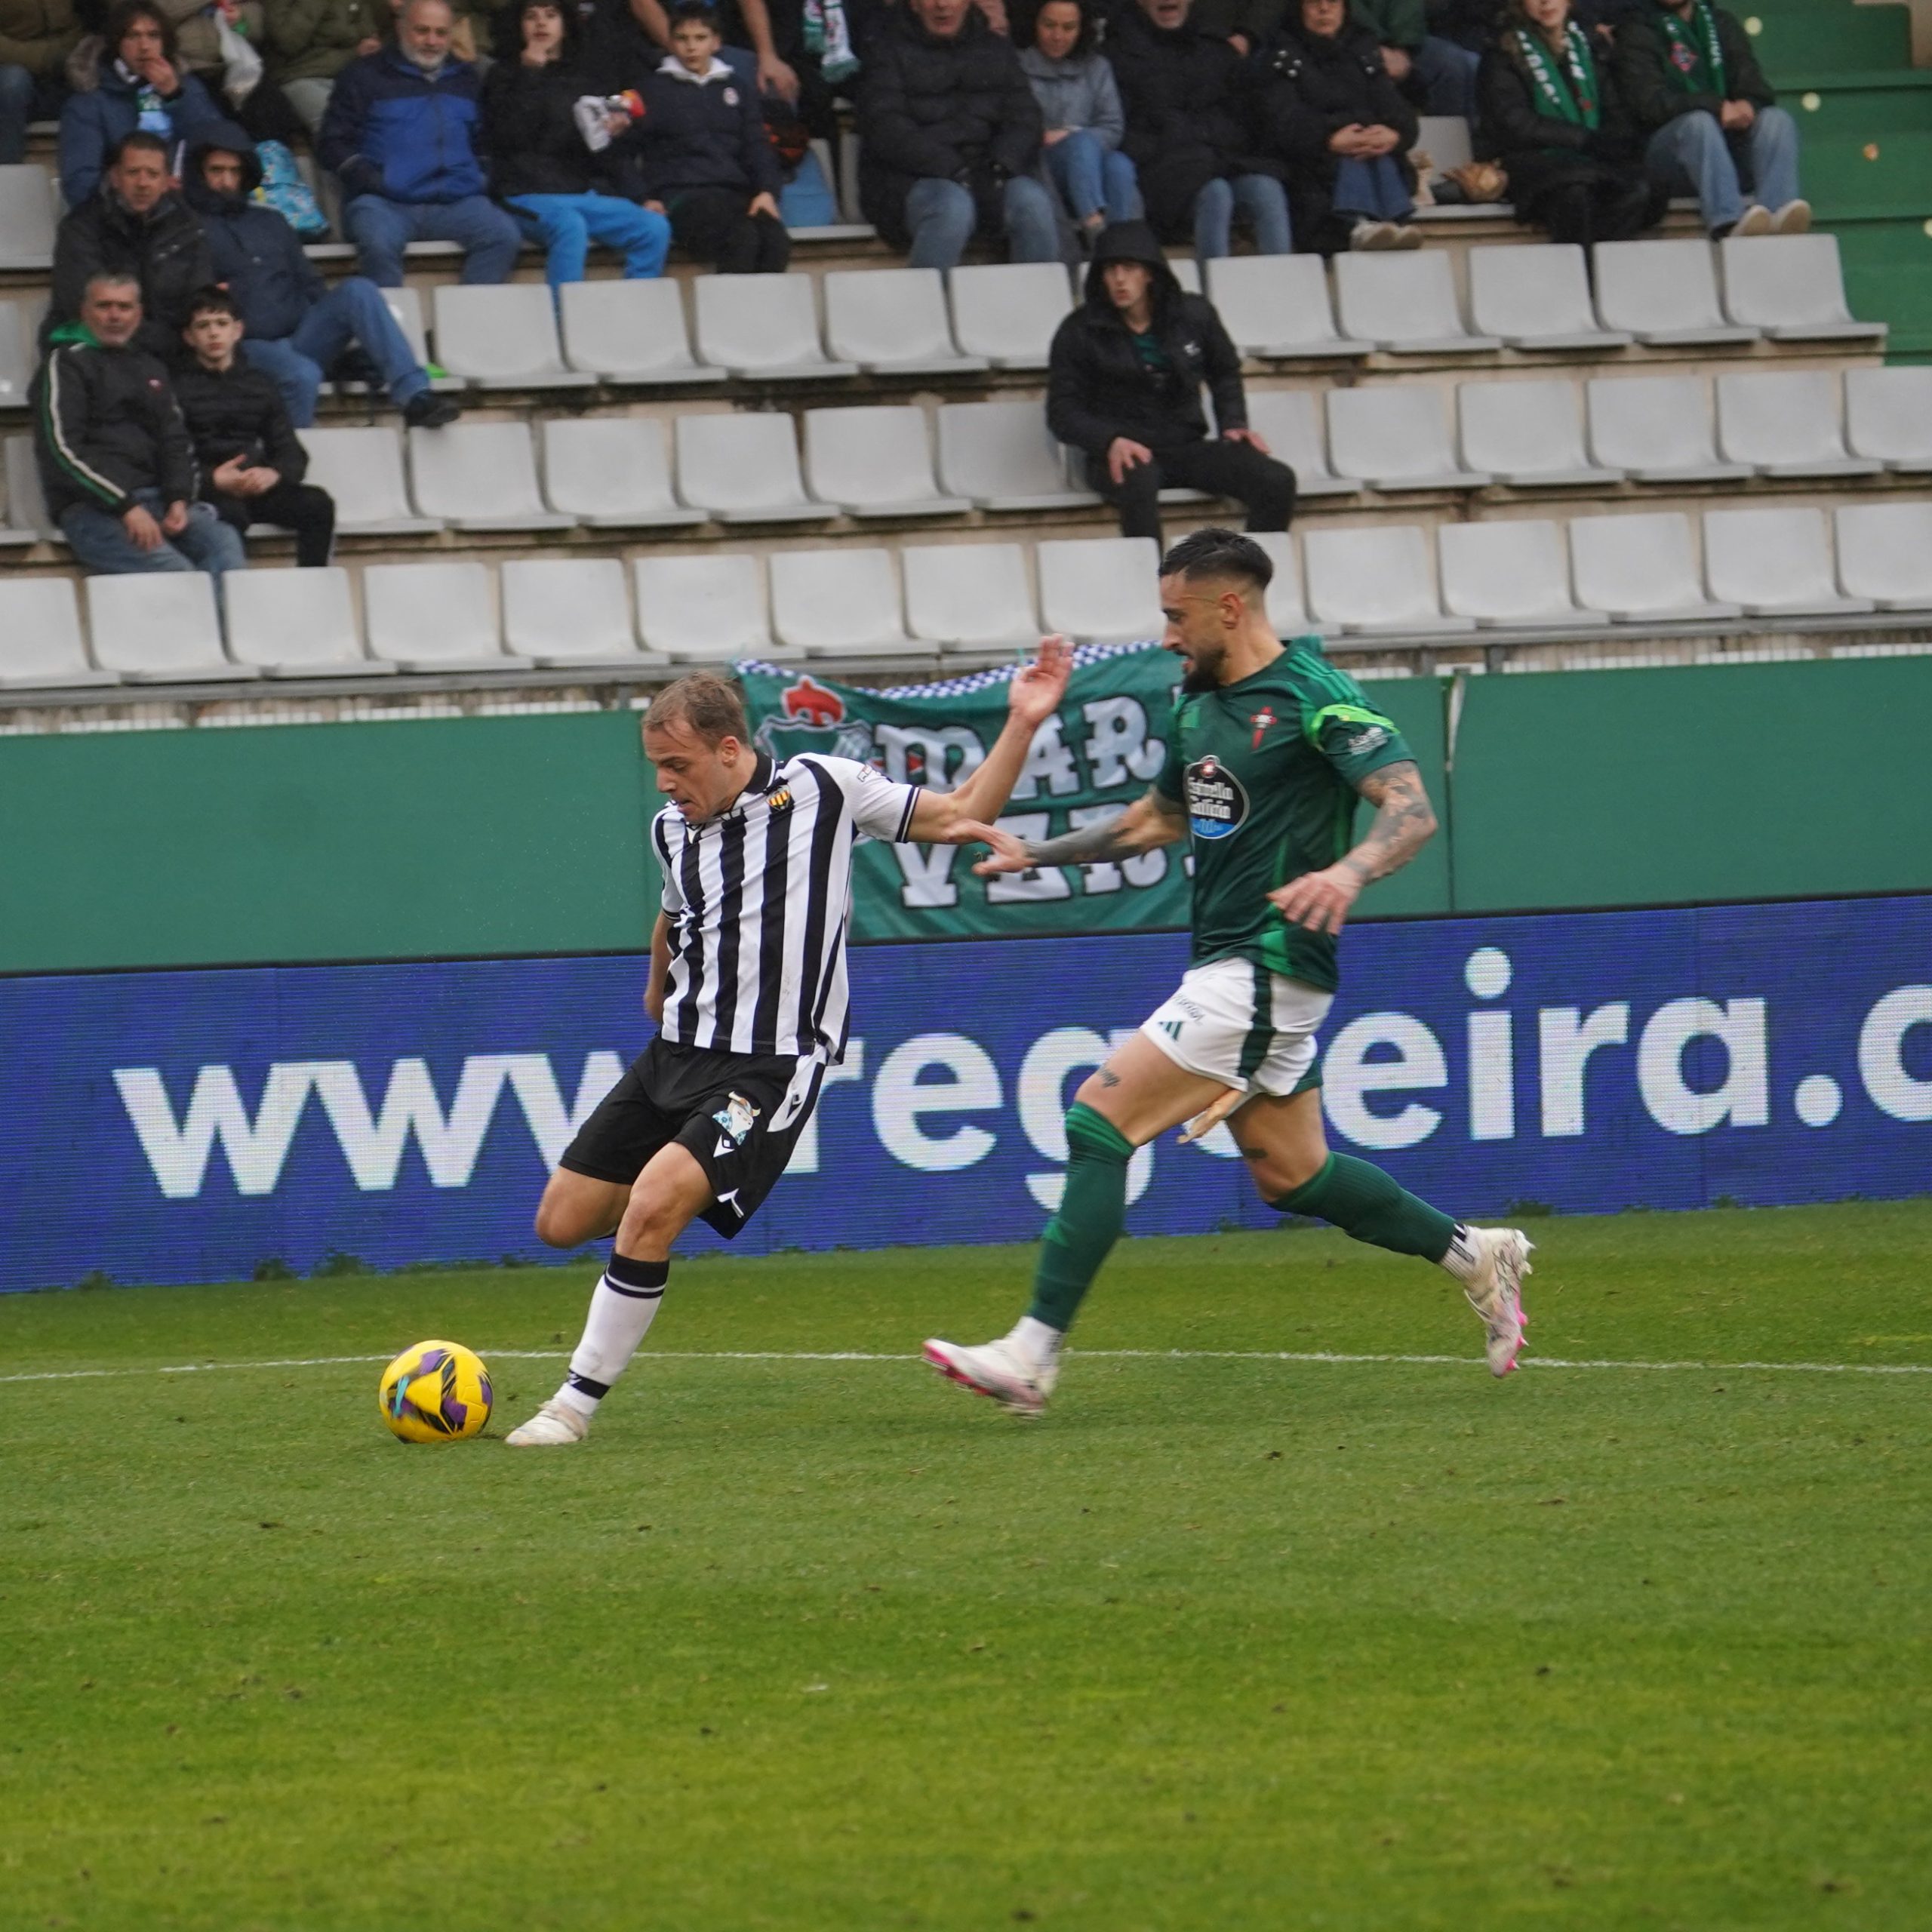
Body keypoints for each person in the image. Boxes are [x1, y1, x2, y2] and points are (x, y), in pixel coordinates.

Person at [926, 528, 1533, 1417]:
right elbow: (1153, 821)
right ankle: (1474, 1254)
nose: (1166, 635)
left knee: (1098, 1121)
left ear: (1230, 607)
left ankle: (1031, 1353)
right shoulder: (1197, 704)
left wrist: (1347, 871)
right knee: (1294, 1175)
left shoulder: (1315, 698)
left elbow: (1409, 810)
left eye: (1176, 617)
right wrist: (1037, 854)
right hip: (1232, 965)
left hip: (1269, 963)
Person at [503, 642, 1075, 1446]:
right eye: (655, 766)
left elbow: (960, 809)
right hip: (675, 1053)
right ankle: (651, 1227)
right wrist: (656, 978)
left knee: (652, 1206)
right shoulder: (674, 829)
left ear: (729, 749)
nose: (664, 782)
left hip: (769, 1065)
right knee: (561, 1222)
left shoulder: (822, 788)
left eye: (676, 763)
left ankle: (571, 1406)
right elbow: (676, 912)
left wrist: (1021, 721)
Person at [185, 128, 458, 427]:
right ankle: (289, 469)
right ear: (199, 173)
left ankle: (415, 396)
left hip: (302, 337)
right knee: (302, 373)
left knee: (359, 290)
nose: (226, 180)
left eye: (234, 171)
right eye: (216, 170)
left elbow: (310, 283)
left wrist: (341, 347)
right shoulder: (187, 228)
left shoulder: (272, 221)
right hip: (243, 347)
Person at [1048, 221, 1294, 545]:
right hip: (1120, 453)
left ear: (1149, 273)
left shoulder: (1193, 314)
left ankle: (1244, 576)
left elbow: (1224, 371)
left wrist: (1234, 423)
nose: (1119, 279)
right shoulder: (1079, 330)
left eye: (1130, 268)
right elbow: (1062, 411)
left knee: (1276, 480)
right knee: (1138, 478)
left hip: (1185, 444)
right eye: (1110, 270)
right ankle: (1155, 585)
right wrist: (1110, 440)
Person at [33, 269, 246, 578]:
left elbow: (175, 439)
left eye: (124, 307)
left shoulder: (150, 366)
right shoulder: (65, 364)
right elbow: (62, 449)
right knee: (180, 577)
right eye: (104, 306)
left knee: (223, 543)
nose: (115, 316)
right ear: (84, 311)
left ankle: (233, 629)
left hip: (158, 499)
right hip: (95, 510)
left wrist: (178, 498)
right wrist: (125, 507)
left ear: (139, 313)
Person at [317, 0, 525, 285]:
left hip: (456, 201)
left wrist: (480, 177)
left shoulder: (467, 79)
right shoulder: (363, 75)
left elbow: (485, 141)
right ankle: (393, 326)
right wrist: (375, 180)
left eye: (441, 33)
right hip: (385, 204)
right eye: (422, 31)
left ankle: (464, 321)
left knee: (504, 236)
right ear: (401, 27)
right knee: (377, 242)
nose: (432, 41)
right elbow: (332, 143)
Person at [481, 0, 672, 286]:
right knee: (570, 226)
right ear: (519, 25)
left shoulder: (584, 78)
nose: (541, 23)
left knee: (653, 227)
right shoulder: (503, 75)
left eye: (551, 15)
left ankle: (635, 321)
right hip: (522, 193)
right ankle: (566, 325)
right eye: (531, 17)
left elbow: (604, 153)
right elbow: (506, 137)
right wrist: (529, 74)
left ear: (565, 24)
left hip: (577, 191)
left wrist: (640, 194)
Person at [856, 0, 1057, 272]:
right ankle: (926, 310)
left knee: (1033, 203)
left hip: (988, 175)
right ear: (914, 4)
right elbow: (885, 127)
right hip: (910, 180)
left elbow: (1024, 118)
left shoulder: (997, 49)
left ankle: (1036, 309)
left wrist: (1000, 166)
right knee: (951, 208)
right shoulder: (885, 50)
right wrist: (951, 169)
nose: (942, 5)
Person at [1108, 0, 1291, 263]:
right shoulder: (1119, 55)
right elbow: (1123, 133)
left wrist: (1205, 136)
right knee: (1216, 192)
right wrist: (1178, 142)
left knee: (1266, 189)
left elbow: (1247, 120)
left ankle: (1280, 283)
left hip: (1223, 161)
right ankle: (1212, 288)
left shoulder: (1216, 49)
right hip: (1162, 175)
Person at [1477, 0, 1662, 249]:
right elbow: (1515, 123)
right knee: (1575, 189)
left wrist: (1614, 139)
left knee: (1640, 188)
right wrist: (1586, 140)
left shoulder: (1589, 45)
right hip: (1530, 160)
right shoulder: (1502, 50)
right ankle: (1580, 277)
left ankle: (1606, 275)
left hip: (1591, 158)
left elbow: (1614, 108)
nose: (1545, 2)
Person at [1613, 0, 1806, 238]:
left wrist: (1748, 102)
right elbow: (1649, 105)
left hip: (1727, 146)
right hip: (1668, 158)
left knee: (1777, 120)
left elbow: (1754, 83)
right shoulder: (1636, 29)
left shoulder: (1721, 23)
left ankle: (1778, 218)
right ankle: (1729, 222)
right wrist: (1716, 106)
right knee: (1699, 124)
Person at [173, 284, 335, 565]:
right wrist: (213, 479)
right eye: (203, 326)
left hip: (255, 489)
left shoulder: (261, 385)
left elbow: (291, 452)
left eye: (222, 324)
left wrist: (272, 474)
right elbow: (168, 454)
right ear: (189, 337)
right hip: (207, 492)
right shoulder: (174, 389)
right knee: (229, 518)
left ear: (237, 330)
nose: (214, 333)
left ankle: (312, 584)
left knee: (317, 504)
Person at [629, 1, 788, 273]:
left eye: (700, 38)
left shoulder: (737, 87)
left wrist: (766, 191)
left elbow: (756, 145)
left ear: (716, 43)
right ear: (671, 42)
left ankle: (767, 316)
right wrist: (643, 197)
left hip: (734, 194)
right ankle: (730, 315)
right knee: (742, 238)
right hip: (681, 198)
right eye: (682, 39)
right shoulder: (651, 90)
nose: (691, 47)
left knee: (776, 240)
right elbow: (622, 151)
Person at [1258, 0, 1420, 252]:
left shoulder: (1363, 49)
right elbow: (1283, 122)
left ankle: (1391, 223)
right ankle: (1358, 224)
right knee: (1353, 151)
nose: (1324, 10)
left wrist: (1394, 135)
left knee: (1371, 148)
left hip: (1369, 158)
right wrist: (1329, 138)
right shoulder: (1280, 55)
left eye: (1333, 2)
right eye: (1314, 3)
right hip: (1311, 169)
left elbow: (1399, 111)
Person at [48, 129, 213, 360]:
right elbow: (84, 306)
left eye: (153, 174)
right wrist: (163, 345)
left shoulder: (188, 226)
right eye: (133, 173)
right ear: (115, 177)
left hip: (176, 352)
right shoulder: (81, 227)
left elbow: (200, 296)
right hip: (99, 351)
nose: (143, 183)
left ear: (167, 182)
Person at [57, 0, 224, 205]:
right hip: (121, 219)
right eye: (133, 36)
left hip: (189, 210)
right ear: (117, 43)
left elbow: (218, 146)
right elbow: (79, 185)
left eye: (153, 36)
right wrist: (140, 190)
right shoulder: (89, 101)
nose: (144, 46)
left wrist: (176, 96)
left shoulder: (187, 87)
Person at [1018, 0, 1139, 245]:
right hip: (1041, 163)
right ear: (1034, 24)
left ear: (1082, 29)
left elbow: (1113, 127)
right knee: (1082, 144)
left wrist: (1070, 134)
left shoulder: (1097, 67)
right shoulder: (1017, 65)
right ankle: (1094, 226)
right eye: (1049, 25)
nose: (1058, 36)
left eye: (1069, 27)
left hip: (1091, 161)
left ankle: (1122, 244)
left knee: (1120, 165)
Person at [260, 0, 387, 135]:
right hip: (300, 76)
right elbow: (288, 42)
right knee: (340, 128)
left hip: (349, 74)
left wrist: (368, 45)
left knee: (388, 118)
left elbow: (366, 32)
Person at [1350, 0, 1478, 123]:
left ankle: (1454, 141)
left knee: (1458, 64)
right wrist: (1371, 47)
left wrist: (1404, 49)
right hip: (1348, 42)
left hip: (1403, 41)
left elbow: (1407, 11)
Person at [0, 0, 80, 165]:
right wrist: (46, 57)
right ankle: (7, 177)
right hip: (13, 72)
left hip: (74, 61)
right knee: (12, 84)